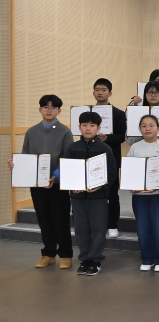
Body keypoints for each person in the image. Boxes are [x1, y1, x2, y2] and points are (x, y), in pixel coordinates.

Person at [7, 95, 74, 269]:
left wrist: (56, 175)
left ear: (59, 110)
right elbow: (25, 155)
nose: (49, 110)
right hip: (36, 184)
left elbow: (67, 157)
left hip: (57, 184)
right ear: (40, 109)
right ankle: (48, 253)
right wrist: (16, 165)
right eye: (45, 107)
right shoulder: (32, 132)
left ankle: (66, 254)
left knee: (60, 219)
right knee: (44, 219)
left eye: (53, 107)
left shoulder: (65, 132)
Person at [60, 111, 117, 276]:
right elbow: (67, 171)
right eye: (84, 125)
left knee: (98, 228)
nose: (88, 128)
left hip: (98, 197)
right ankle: (84, 259)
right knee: (81, 229)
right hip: (77, 197)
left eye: (92, 125)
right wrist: (72, 186)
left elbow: (112, 174)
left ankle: (95, 260)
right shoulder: (72, 148)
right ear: (79, 127)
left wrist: (101, 187)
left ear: (98, 128)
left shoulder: (105, 148)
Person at [126, 115, 159, 272]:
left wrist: (157, 186)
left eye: (151, 125)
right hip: (139, 196)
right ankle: (147, 258)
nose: (147, 128)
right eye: (144, 126)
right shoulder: (135, 148)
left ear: (158, 128)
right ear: (140, 129)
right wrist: (131, 185)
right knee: (142, 229)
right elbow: (129, 170)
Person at [90, 78, 127, 240]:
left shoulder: (118, 113)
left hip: (111, 158)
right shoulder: (88, 113)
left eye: (103, 90)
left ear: (110, 93)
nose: (100, 92)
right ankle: (96, 224)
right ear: (93, 92)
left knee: (112, 193)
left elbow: (122, 137)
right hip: (91, 158)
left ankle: (112, 225)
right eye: (97, 89)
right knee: (93, 193)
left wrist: (108, 138)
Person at [126, 81, 159, 148]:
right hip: (140, 150)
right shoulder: (135, 113)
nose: (153, 95)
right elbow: (128, 138)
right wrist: (144, 136)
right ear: (145, 94)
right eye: (150, 92)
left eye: (156, 92)